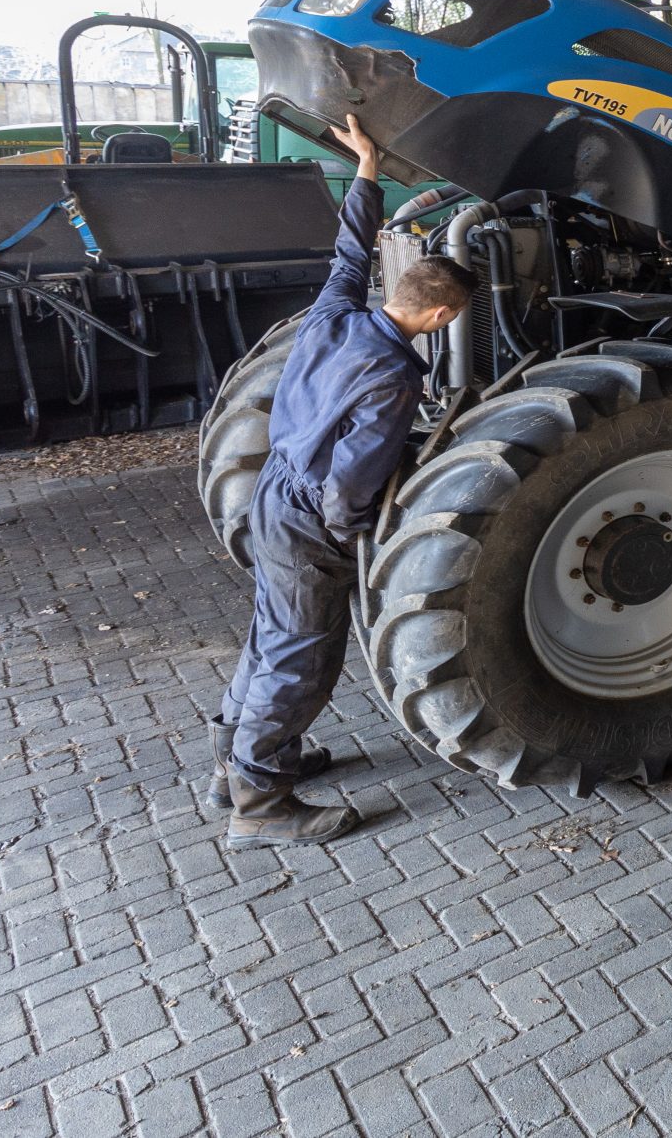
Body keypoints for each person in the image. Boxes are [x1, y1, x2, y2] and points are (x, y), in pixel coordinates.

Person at [212, 112, 473, 847]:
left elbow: (349, 250)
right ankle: (259, 803)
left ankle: (230, 765)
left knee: (270, 636)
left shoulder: (334, 315)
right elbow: (355, 477)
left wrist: (367, 166)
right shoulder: (393, 374)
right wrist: (349, 537)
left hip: (272, 488)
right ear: (442, 314)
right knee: (301, 657)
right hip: (306, 518)